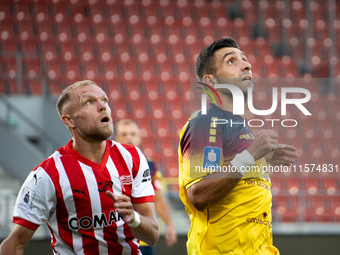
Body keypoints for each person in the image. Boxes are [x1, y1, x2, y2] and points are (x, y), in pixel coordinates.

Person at [0, 80, 159, 255]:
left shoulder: (132, 157)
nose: (102, 107)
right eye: (89, 102)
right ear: (69, 121)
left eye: (104, 100)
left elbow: (152, 236)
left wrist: (133, 218)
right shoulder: (47, 174)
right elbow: (14, 244)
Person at [178, 38, 298, 254]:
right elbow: (199, 195)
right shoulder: (206, 121)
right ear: (211, 82)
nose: (246, 64)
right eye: (231, 61)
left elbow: (240, 184)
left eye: (244, 59)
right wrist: (250, 155)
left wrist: (262, 160)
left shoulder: (241, 127)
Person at [114, 119, 177, 255]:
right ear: (117, 138)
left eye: (132, 134)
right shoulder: (106, 164)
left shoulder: (149, 165)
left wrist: (170, 224)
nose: (129, 137)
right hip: (116, 238)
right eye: (124, 134)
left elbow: (158, 198)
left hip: (142, 237)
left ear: (139, 138)